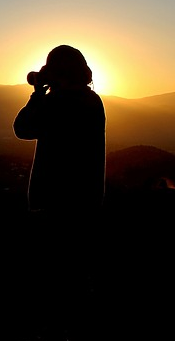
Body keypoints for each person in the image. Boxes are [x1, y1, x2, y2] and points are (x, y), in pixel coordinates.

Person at [14, 44, 106, 214]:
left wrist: (37, 95)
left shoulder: (59, 101)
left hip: (52, 202)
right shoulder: (93, 100)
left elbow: (22, 128)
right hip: (87, 201)